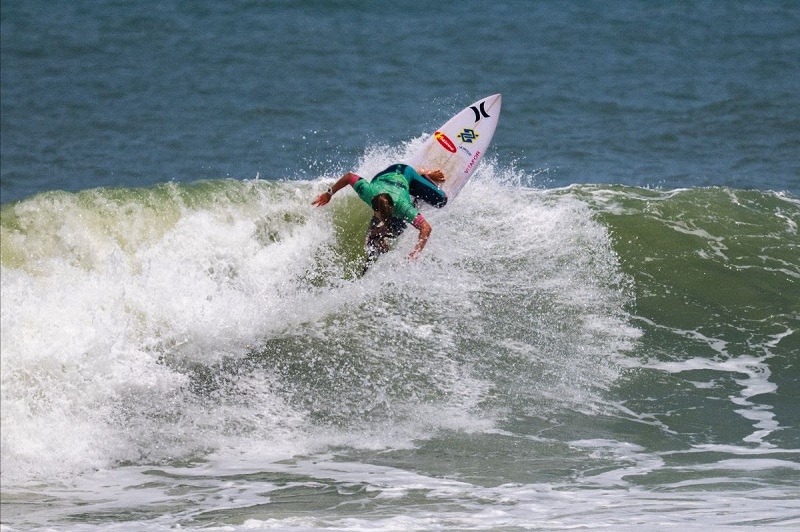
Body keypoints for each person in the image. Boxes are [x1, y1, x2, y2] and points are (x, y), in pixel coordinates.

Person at [312, 164, 447, 268]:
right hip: (384, 175)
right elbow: (349, 176)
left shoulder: (403, 207)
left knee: (441, 200)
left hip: (405, 172)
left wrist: (416, 252)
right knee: (374, 238)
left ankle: (423, 175)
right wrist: (329, 194)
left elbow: (426, 228)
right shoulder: (368, 192)